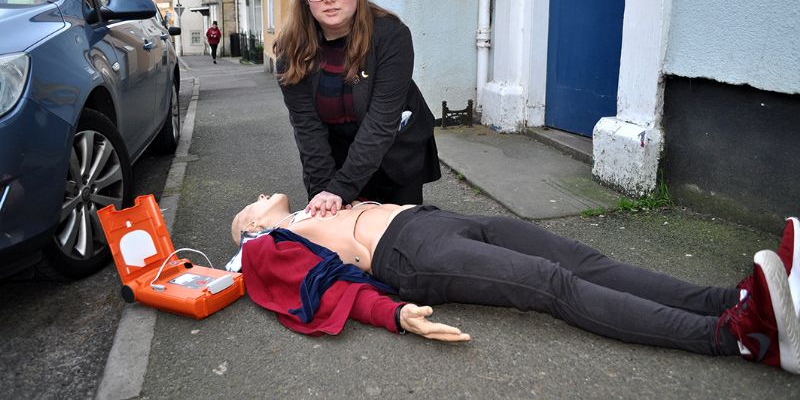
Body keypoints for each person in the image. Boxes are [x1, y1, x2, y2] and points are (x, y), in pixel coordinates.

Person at [227, 194, 800, 374]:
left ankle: (738, 299)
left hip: (434, 220)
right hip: (412, 254)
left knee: (585, 260)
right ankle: (737, 337)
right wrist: (392, 314)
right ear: (250, 226)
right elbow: (325, 291)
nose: (260, 197)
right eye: (251, 206)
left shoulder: (310, 206)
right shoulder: (268, 246)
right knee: (552, 284)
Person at [274, 0, 441, 217]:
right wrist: (323, 194)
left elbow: (381, 123)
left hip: (394, 152)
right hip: (336, 155)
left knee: (397, 238)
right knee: (336, 240)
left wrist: (340, 189)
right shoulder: (290, 52)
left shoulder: (391, 36)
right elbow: (308, 131)